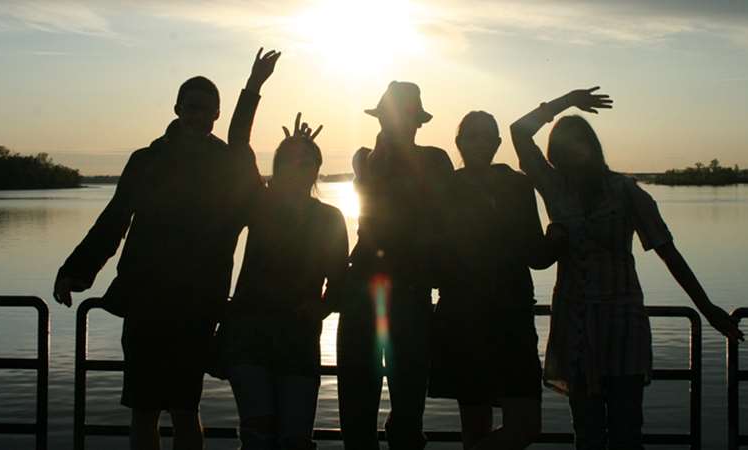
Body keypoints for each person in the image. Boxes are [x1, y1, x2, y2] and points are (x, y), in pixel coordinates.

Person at [52, 48, 281, 450]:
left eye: (206, 110)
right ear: (177, 109)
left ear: (216, 115)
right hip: (145, 300)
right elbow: (114, 221)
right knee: (143, 410)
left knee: (185, 408)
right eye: (190, 108)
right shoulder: (146, 161)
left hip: (197, 304)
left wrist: (252, 87)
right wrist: (76, 270)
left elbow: (256, 196)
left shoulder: (227, 167)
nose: (197, 116)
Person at [509, 87, 744, 450]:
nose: (572, 154)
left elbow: (668, 252)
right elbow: (519, 131)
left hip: (623, 323)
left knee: (626, 432)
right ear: (555, 154)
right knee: (587, 433)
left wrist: (706, 307)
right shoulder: (554, 187)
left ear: (592, 148)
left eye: (578, 145)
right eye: (564, 148)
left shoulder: (626, 191)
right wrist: (566, 101)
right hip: (576, 324)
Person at [208, 113, 349, 450]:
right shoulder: (260, 204)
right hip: (249, 336)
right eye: (289, 161)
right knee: (257, 435)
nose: (298, 169)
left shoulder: (329, 218)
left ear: (316, 169)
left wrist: (321, 307)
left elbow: (339, 280)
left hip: (298, 339)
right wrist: (253, 89)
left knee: (295, 440)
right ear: (278, 167)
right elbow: (239, 145)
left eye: (307, 162)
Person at [429, 111, 561, 450]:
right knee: (475, 428)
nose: (480, 143)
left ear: (498, 143)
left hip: (511, 318)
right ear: (459, 142)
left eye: (487, 136)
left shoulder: (518, 185)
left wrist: (556, 235)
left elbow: (536, 255)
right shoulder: (445, 189)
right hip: (463, 319)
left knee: (526, 426)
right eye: (472, 136)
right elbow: (433, 257)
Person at [336, 81, 454, 450]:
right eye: (391, 117)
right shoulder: (364, 159)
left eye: (404, 118)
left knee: (407, 412)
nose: (398, 124)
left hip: (410, 292)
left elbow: (448, 222)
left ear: (418, 123)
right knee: (356, 411)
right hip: (362, 292)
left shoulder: (434, 161)